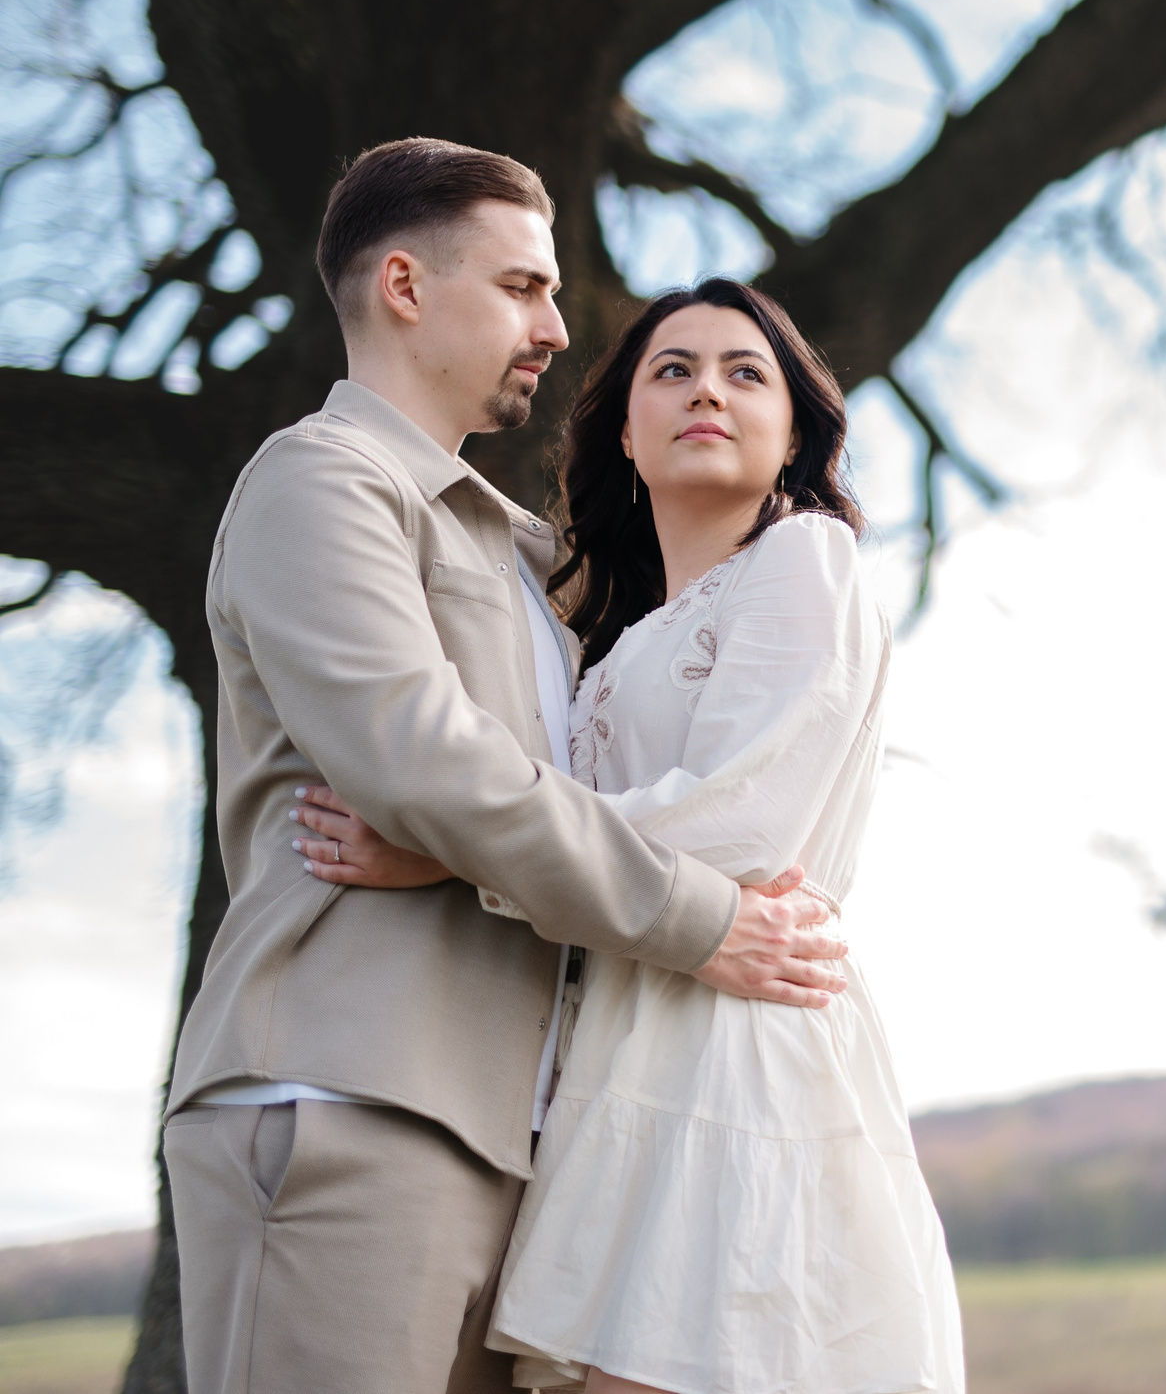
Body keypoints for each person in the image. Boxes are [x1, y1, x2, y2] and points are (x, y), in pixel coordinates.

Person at [165, 139, 851, 1394]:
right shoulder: (322, 480)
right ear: (407, 286)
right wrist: (704, 920)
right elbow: (421, 762)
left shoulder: (528, 557)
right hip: (347, 1099)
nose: (553, 322)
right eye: (523, 287)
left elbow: (582, 785)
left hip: (518, 1143)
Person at [291, 277, 965, 1394]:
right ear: (624, 428)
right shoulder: (601, 636)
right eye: (673, 369)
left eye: (746, 372)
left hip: (736, 1037)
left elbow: (740, 822)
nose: (708, 389)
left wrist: (455, 852)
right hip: (614, 1044)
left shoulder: (806, 558)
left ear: (795, 430)